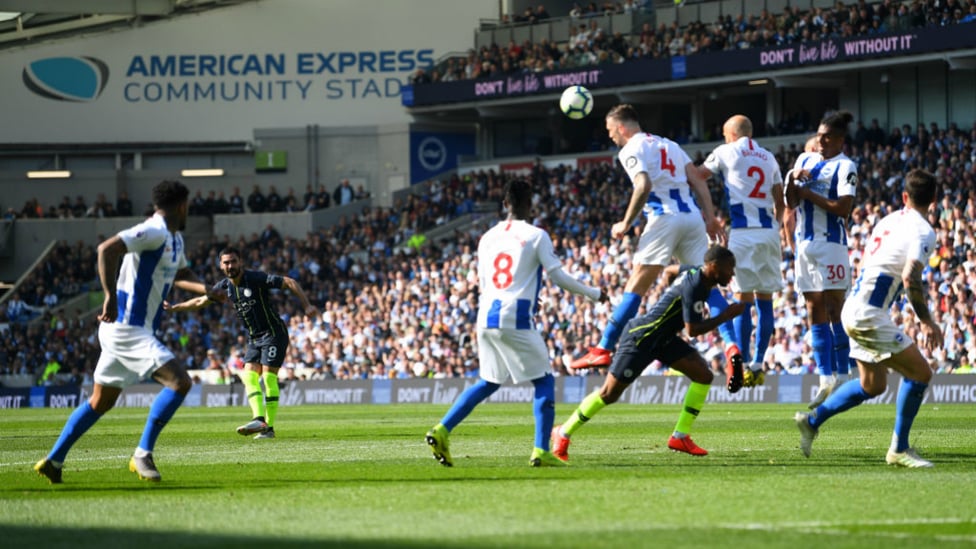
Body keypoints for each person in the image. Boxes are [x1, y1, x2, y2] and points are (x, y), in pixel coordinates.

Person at [34, 180, 211, 483]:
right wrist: (109, 295)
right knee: (179, 382)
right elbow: (107, 249)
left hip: (131, 330)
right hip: (127, 327)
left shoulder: (174, 240)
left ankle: (54, 460)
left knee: (101, 401)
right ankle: (142, 454)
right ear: (182, 206)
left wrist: (210, 289)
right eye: (188, 207)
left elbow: (182, 273)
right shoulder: (153, 231)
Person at [425, 179, 608, 467]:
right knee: (544, 380)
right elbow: (558, 277)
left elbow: (486, 283)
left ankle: (442, 428)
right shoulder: (536, 235)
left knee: (488, 381)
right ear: (529, 204)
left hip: (486, 315)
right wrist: (594, 294)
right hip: (516, 315)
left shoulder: (486, 237)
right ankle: (540, 450)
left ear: (505, 205)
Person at [795, 169, 942, 468]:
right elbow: (910, 276)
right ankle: (899, 449)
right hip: (868, 314)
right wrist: (927, 321)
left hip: (855, 306)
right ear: (934, 200)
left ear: (904, 196)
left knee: (872, 385)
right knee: (921, 374)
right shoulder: (924, 231)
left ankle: (812, 420)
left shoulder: (887, 221)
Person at [569, 104, 725, 380]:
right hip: (691, 218)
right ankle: (734, 346)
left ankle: (604, 347)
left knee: (637, 285)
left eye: (609, 131)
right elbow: (699, 181)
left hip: (664, 219)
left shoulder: (630, 149)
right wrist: (711, 217)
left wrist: (625, 223)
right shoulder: (671, 145)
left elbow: (643, 185)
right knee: (705, 281)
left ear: (621, 127)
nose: (610, 137)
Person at [552, 245, 745, 461]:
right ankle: (563, 431)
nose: (732, 273)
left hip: (664, 339)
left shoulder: (694, 272)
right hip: (641, 338)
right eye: (730, 268)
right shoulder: (695, 287)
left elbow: (670, 271)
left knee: (703, 375)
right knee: (609, 394)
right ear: (714, 267)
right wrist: (727, 314)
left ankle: (680, 436)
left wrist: (670, 297)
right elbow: (693, 331)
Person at [166, 246, 317, 440]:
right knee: (248, 376)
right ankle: (260, 420)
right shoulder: (224, 287)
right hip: (254, 338)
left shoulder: (254, 278)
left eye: (233, 261)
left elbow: (289, 282)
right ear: (221, 265)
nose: (230, 266)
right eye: (226, 263)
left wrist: (307, 305)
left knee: (269, 378)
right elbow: (200, 302)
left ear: (240, 262)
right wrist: (174, 308)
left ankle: (268, 427)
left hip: (274, 333)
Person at [697, 115, 784, 388]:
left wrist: (709, 214)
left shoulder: (726, 151)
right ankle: (759, 364)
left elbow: (699, 175)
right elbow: (780, 201)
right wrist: (776, 227)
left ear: (732, 134)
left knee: (742, 299)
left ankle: (743, 364)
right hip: (768, 232)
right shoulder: (769, 157)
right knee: (765, 299)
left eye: (725, 134)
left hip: (743, 233)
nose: (724, 139)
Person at [783, 110, 857, 408]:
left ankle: (846, 373)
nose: (821, 140)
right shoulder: (804, 160)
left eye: (827, 136)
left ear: (839, 140)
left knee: (835, 308)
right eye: (819, 135)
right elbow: (790, 202)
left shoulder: (846, 166)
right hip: (805, 244)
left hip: (832, 245)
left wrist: (806, 193)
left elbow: (843, 208)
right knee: (813, 307)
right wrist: (791, 180)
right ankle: (825, 379)